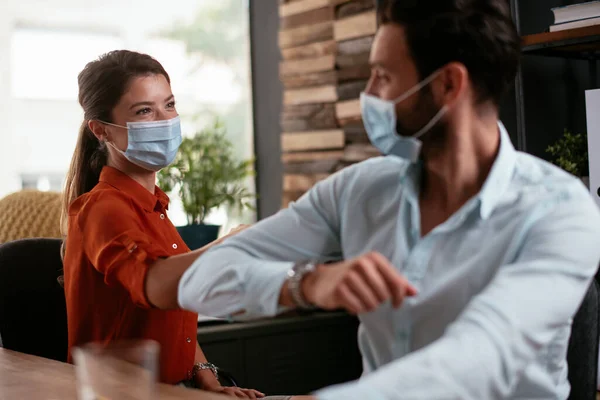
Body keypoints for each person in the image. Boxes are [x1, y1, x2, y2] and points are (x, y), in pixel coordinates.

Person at [143, 1, 600, 399]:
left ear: (448, 86)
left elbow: (477, 360)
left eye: (382, 75)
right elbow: (201, 280)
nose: (370, 96)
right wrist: (305, 283)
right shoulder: (358, 190)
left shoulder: (560, 211)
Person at [61, 50, 264, 399]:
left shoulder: (156, 206)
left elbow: (172, 317)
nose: (164, 120)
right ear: (101, 130)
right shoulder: (104, 208)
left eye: (168, 105)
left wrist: (207, 379)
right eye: (144, 111)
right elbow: (154, 282)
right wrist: (231, 246)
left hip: (177, 390)